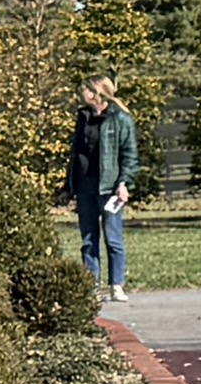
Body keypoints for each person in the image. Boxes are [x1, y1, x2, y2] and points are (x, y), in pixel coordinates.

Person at [61, 73, 143, 306]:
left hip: (110, 187)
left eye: (85, 89)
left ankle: (116, 284)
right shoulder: (83, 116)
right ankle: (92, 285)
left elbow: (129, 154)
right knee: (88, 238)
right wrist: (69, 185)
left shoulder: (120, 118)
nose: (81, 93)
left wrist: (124, 182)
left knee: (113, 237)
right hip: (86, 186)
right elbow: (76, 153)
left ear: (97, 92)